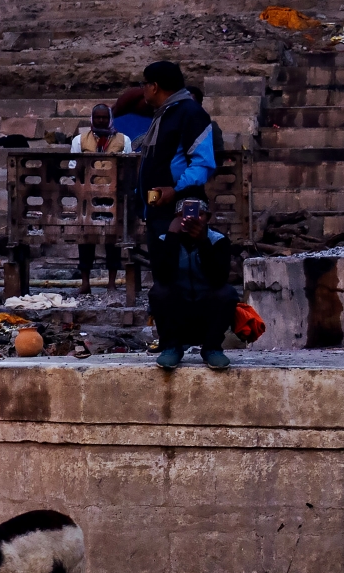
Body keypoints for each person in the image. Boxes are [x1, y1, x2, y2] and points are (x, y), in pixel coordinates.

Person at [149, 198, 239, 371]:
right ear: (175, 218)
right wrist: (172, 237)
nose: (191, 219)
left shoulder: (218, 241)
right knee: (158, 292)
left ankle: (212, 348)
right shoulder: (163, 240)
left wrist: (203, 242)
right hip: (177, 312)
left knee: (227, 293)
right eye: (183, 215)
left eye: (200, 215)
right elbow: (162, 277)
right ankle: (171, 347)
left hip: (206, 312)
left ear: (208, 218)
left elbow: (218, 279)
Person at [136, 59, 215, 239]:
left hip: (180, 211)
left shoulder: (190, 113)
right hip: (158, 210)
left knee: (178, 263)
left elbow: (203, 164)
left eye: (144, 84)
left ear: (154, 86)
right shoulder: (164, 113)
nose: (143, 90)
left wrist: (175, 190)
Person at [73, 101, 135, 288]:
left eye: (104, 117)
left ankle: (111, 282)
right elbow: (72, 166)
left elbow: (130, 167)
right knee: (86, 239)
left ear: (110, 119)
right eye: (98, 117)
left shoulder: (124, 140)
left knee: (112, 239)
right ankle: (85, 282)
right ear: (93, 119)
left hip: (113, 195)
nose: (101, 120)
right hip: (87, 196)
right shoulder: (79, 140)